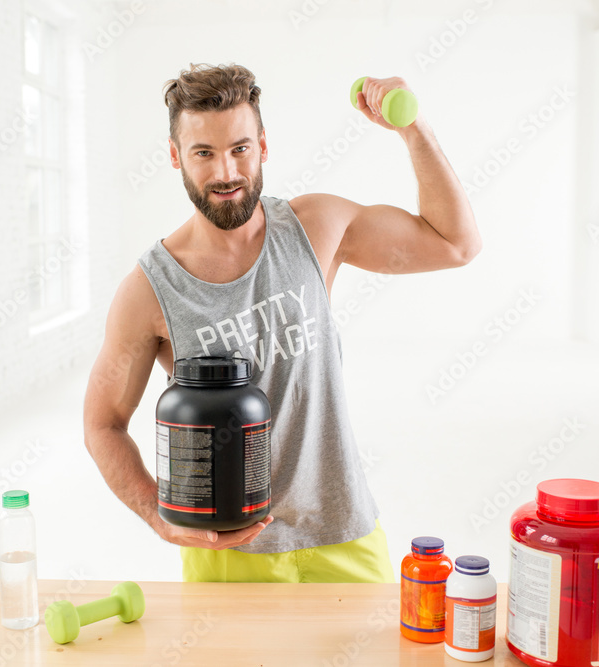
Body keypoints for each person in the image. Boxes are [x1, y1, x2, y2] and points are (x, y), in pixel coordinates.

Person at [84, 63, 480, 584]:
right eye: (204, 152)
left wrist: (414, 128)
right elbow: (102, 424)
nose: (225, 172)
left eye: (240, 148)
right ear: (177, 157)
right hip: (226, 553)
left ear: (263, 146)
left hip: (343, 532)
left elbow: (455, 244)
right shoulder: (150, 289)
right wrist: (156, 513)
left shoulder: (316, 227)